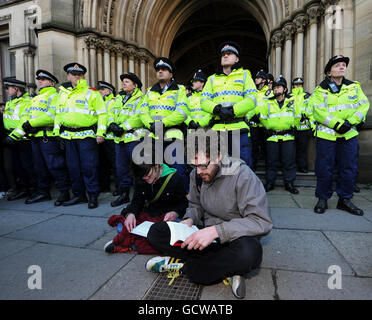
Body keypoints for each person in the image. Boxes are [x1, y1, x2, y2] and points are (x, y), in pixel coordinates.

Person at [145, 131, 272, 299]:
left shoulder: (243, 175)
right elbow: (195, 206)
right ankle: (227, 268)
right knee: (156, 231)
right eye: (194, 166)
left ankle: (186, 267)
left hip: (235, 237)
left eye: (203, 166)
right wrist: (190, 219)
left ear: (219, 156)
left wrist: (217, 231)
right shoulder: (196, 175)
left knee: (250, 254)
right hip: (206, 236)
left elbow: (260, 221)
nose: (198, 172)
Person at [310, 55, 370, 215]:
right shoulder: (320, 90)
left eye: (344, 65)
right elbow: (318, 112)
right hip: (326, 135)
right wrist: (338, 124)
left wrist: (350, 122)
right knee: (324, 168)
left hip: (348, 135)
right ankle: (322, 198)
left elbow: (363, 105)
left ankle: (345, 199)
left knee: (349, 167)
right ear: (329, 72)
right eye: (337, 65)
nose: (342, 67)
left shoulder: (354, 87)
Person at [54, 62, 107, 209]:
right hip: (68, 136)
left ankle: (93, 196)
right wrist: (56, 132)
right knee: (73, 168)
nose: (76, 77)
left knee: (89, 167)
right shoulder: (62, 93)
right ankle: (79, 196)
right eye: (73, 74)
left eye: (79, 74)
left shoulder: (92, 92)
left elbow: (103, 114)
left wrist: (100, 133)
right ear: (68, 75)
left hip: (87, 136)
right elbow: (58, 113)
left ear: (83, 76)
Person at [104, 162, 188, 254]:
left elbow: (183, 204)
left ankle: (133, 245)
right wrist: (131, 214)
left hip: (167, 219)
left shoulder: (174, 179)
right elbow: (137, 201)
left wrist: (175, 213)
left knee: (172, 234)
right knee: (124, 226)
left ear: (156, 165)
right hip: (150, 216)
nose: (146, 179)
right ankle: (144, 243)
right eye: (143, 177)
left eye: (148, 175)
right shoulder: (141, 177)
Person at [200, 41, 257, 167]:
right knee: (216, 169)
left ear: (236, 59)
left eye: (229, 54)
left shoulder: (244, 75)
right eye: (223, 54)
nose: (225, 56)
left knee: (240, 169)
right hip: (218, 131)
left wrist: (233, 110)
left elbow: (252, 99)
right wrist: (217, 110)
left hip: (238, 129)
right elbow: (203, 101)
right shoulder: (212, 79)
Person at [137, 57, 191, 191]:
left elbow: (182, 112)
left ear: (171, 74)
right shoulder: (150, 91)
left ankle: (184, 200)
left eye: (164, 69)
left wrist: (162, 123)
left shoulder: (179, 89)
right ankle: (158, 199)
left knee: (178, 170)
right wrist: (150, 124)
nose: (160, 72)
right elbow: (143, 110)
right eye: (158, 70)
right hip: (154, 137)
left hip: (172, 135)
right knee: (153, 171)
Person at [20, 70, 71, 205]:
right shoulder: (36, 98)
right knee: (39, 167)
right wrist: (24, 126)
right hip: (35, 137)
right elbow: (27, 115)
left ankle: (64, 192)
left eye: (43, 79)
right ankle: (43, 193)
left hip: (47, 137)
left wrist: (30, 123)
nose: (40, 81)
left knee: (55, 165)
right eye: (39, 79)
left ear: (52, 83)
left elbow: (51, 116)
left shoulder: (54, 96)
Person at [108, 72, 145, 207]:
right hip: (119, 139)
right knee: (121, 168)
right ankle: (124, 195)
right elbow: (111, 113)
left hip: (134, 138)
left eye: (127, 82)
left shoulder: (141, 98)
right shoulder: (119, 97)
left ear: (135, 85)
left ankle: (139, 196)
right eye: (123, 81)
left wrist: (122, 127)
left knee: (137, 168)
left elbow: (139, 117)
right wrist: (111, 124)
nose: (124, 83)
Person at [260, 75, 300, 194]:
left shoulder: (292, 101)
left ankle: (289, 183)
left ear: (285, 89)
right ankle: (270, 183)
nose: (276, 89)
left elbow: (297, 116)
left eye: (279, 87)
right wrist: (269, 127)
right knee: (271, 161)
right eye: (275, 88)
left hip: (288, 136)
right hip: (272, 136)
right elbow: (263, 117)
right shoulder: (268, 102)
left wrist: (291, 126)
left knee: (288, 161)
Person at [2, 78, 35, 200]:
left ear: (16, 89)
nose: (6, 90)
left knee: (27, 166)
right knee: (18, 167)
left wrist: (12, 137)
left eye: (8, 88)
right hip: (12, 138)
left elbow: (24, 122)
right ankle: (24, 189)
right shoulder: (11, 101)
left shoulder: (26, 102)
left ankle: (33, 190)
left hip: (22, 139)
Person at [247, 70, 274, 171]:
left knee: (266, 149)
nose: (255, 80)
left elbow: (271, 109)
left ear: (263, 80)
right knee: (253, 149)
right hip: (254, 125)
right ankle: (252, 169)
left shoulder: (270, 93)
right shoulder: (253, 92)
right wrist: (251, 117)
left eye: (258, 78)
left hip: (264, 125)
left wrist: (261, 117)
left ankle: (268, 171)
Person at [97, 80, 119, 194]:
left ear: (109, 91)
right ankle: (104, 186)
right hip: (101, 137)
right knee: (102, 163)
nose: (99, 91)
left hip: (111, 137)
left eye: (102, 89)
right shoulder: (99, 101)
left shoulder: (114, 101)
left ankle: (118, 187)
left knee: (115, 163)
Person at [291, 77, 313, 173]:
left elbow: (311, 109)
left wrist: (306, 116)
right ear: (293, 85)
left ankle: (302, 166)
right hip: (292, 127)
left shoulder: (307, 96)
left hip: (304, 127)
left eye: (300, 84)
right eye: (296, 84)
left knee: (302, 149)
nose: (298, 86)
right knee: (291, 149)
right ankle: (291, 167)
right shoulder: (289, 96)